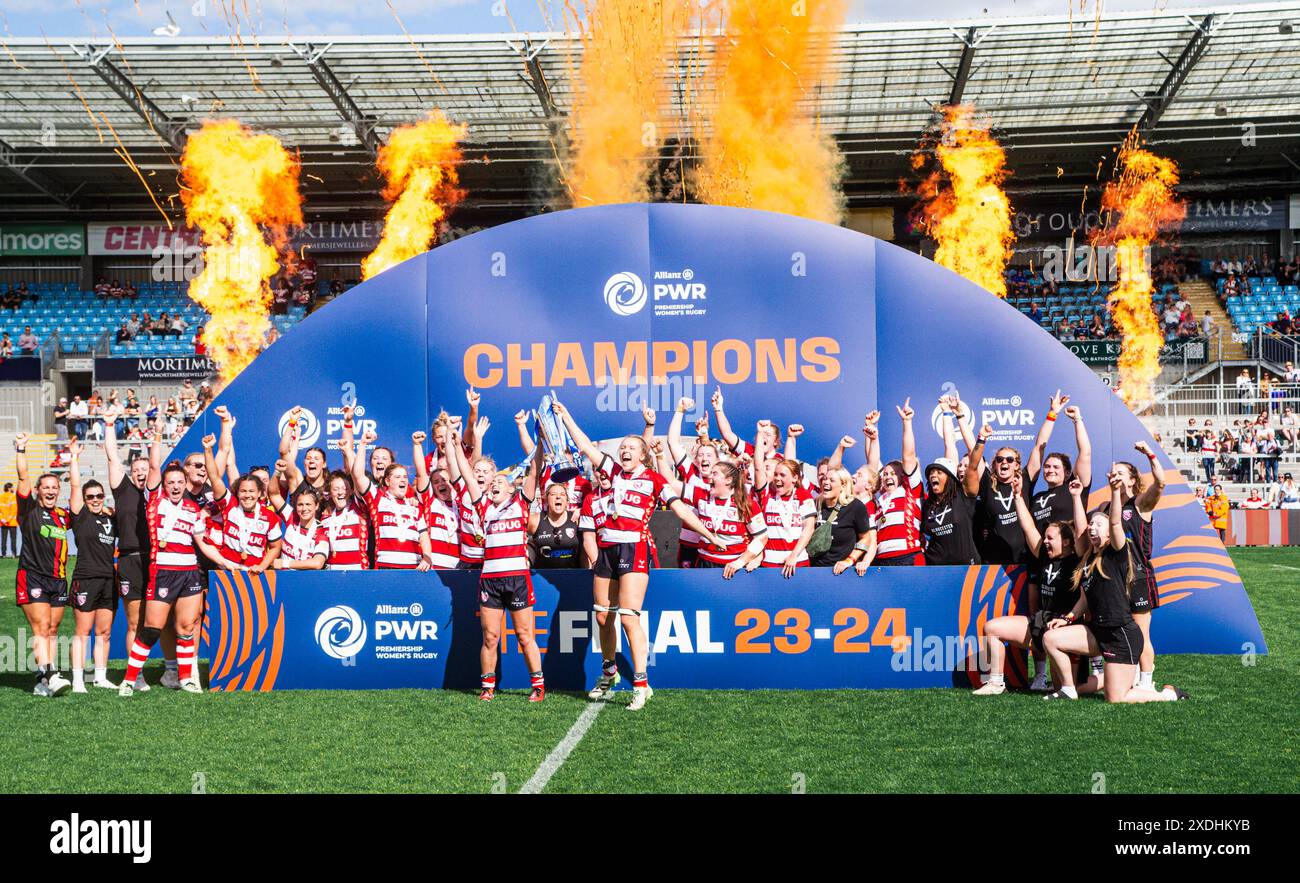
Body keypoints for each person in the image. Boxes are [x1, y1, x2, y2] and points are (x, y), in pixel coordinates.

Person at [551, 400, 723, 711]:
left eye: (631, 447)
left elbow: (681, 509)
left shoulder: (655, 480)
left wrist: (709, 535)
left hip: (634, 547)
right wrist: (566, 417)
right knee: (603, 615)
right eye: (623, 448)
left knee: (629, 617)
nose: (625, 451)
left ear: (642, 454)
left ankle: (641, 684)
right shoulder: (613, 472)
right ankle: (609, 673)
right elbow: (586, 445)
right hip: (607, 549)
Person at [1041, 470, 1188, 703]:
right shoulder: (1088, 559)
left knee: (1116, 698)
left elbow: (1116, 520)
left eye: (1098, 524)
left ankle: (1168, 694)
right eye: (1091, 524)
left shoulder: (1117, 553)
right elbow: (1084, 600)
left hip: (1121, 636)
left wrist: (1113, 492)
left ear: (1109, 534)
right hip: (1098, 631)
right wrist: (1067, 618)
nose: (1092, 527)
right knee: (1051, 638)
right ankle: (1069, 689)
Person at [450, 423, 547, 701]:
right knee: (490, 637)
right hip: (489, 581)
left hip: (517, 579)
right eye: (492, 483)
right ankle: (488, 687)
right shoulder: (482, 507)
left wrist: (540, 441)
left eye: (499, 482)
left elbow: (535, 470)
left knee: (525, 635)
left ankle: (538, 686)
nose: (493, 484)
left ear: (510, 488)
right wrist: (457, 446)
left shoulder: (521, 504)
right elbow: (468, 476)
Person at [974, 475, 1087, 695]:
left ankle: (1104, 680)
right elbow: (1028, 529)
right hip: (1042, 622)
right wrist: (1017, 497)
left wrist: (1076, 498)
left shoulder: (1077, 559)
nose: (1045, 541)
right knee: (992, 628)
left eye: (1050, 538)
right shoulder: (1045, 556)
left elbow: (1081, 536)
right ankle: (996, 683)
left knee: (1068, 688)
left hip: (1067, 628)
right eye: (1045, 537)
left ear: (1065, 541)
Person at [119, 461, 224, 696]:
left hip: (190, 573)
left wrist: (227, 563)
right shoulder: (154, 503)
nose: (175, 486)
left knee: (186, 627)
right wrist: (157, 437)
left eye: (179, 482)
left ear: (186, 484)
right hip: (163, 573)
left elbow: (202, 543)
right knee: (152, 629)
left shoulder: (192, 509)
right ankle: (129, 679)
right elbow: (155, 468)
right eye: (170, 483)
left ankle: (186, 679)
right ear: (163, 485)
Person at [103, 407, 163, 691]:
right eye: (136, 470)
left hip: (156, 561)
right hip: (129, 561)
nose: (141, 474)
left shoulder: (157, 491)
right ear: (130, 473)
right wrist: (109, 424)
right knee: (134, 622)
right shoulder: (122, 489)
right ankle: (134, 675)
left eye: (144, 470)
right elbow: (112, 457)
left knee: (155, 622)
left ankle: (170, 670)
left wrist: (157, 435)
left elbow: (155, 465)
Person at [13, 433, 73, 696]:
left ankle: (41, 680)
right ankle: (52, 673)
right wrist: (21, 448)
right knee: (40, 627)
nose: (50, 491)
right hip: (33, 576)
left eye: (54, 488)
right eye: (46, 487)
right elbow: (24, 477)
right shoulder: (29, 512)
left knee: (52, 628)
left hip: (59, 578)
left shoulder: (62, 516)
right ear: (38, 491)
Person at [66, 440, 119, 691]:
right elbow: (75, 485)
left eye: (99, 495)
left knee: (105, 631)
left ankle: (100, 676)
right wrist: (74, 458)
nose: (96, 500)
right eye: (91, 497)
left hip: (109, 579)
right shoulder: (80, 516)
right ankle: (78, 679)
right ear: (84, 500)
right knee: (83, 631)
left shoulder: (110, 517)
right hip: (86, 578)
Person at [351, 431, 434, 570]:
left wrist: (427, 557)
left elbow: (424, 534)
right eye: (397, 477)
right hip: (385, 567)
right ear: (388, 481)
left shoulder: (413, 506)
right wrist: (363, 444)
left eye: (405, 477)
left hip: (413, 569)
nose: (403, 480)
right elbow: (358, 475)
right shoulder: (378, 500)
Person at [202, 433, 283, 572]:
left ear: (259, 493)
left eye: (251, 491)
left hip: (254, 573)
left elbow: (276, 547)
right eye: (243, 491)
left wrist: (262, 566)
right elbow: (214, 477)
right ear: (237, 493)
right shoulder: (229, 504)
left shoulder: (270, 517)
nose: (247, 495)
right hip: (226, 571)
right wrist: (208, 450)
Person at [754, 449, 816, 576]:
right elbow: (758, 468)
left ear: (794, 478)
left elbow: (809, 528)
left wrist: (794, 556)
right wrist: (760, 433)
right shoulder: (767, 494)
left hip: (797, 563)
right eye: (775, 474)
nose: (777, 478)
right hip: (770, 564)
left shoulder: (803, 495)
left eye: (782, 475)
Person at [808, 464, 876, 574]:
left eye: (832, 480)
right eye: (825, 478)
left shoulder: (856, 507)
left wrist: (849, 560)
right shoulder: (815, 504)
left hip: (841, 572)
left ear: (843, 485)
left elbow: (866, 539)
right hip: (814, 571)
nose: (826, 482)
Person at [267, 471, 328, 570]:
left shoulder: (321, 533)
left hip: (304, 582)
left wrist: (285, 563)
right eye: (300, 505)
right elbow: (274, 494)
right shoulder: (291, 516)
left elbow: (317, 563)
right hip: (283, 579)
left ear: (316, 506)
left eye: (308, 504)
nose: (304, 509)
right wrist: (277, 472)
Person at [529, 482, 584, 569]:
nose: (558, 497)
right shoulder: (535, 520)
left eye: (562, 494)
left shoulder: (576, 519)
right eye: (553, 494)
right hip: (542, 577)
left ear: (567, 501)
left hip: (573, 575)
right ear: (546, 500)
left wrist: (587, 572)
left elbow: (585, 550)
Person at [0, 482, 16, 557]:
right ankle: (13, 554)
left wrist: (2, 519)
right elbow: (14, 510)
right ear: (9, 488)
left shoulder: (1, 496)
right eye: (12, 487)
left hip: (3, 522)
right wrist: (8, 520)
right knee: (13, 538)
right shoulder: (13, 496)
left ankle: (3, 554)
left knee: (3, 539)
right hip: (11, 522)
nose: (13, 488)